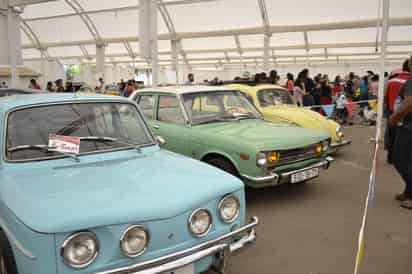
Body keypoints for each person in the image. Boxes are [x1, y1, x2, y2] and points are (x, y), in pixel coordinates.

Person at [389, 55, 412, 209]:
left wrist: (395, 118)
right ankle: (408, 191)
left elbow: (409, 103)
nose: (409, 62)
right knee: (407, 159)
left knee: (399, 158)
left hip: (408, 126)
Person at [385, 59, 411, 164]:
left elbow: (385, 98)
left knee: (391, 135)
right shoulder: (409, 80)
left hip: (393, 113)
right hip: (407, 117)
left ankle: (390, 157)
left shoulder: (391, 81)